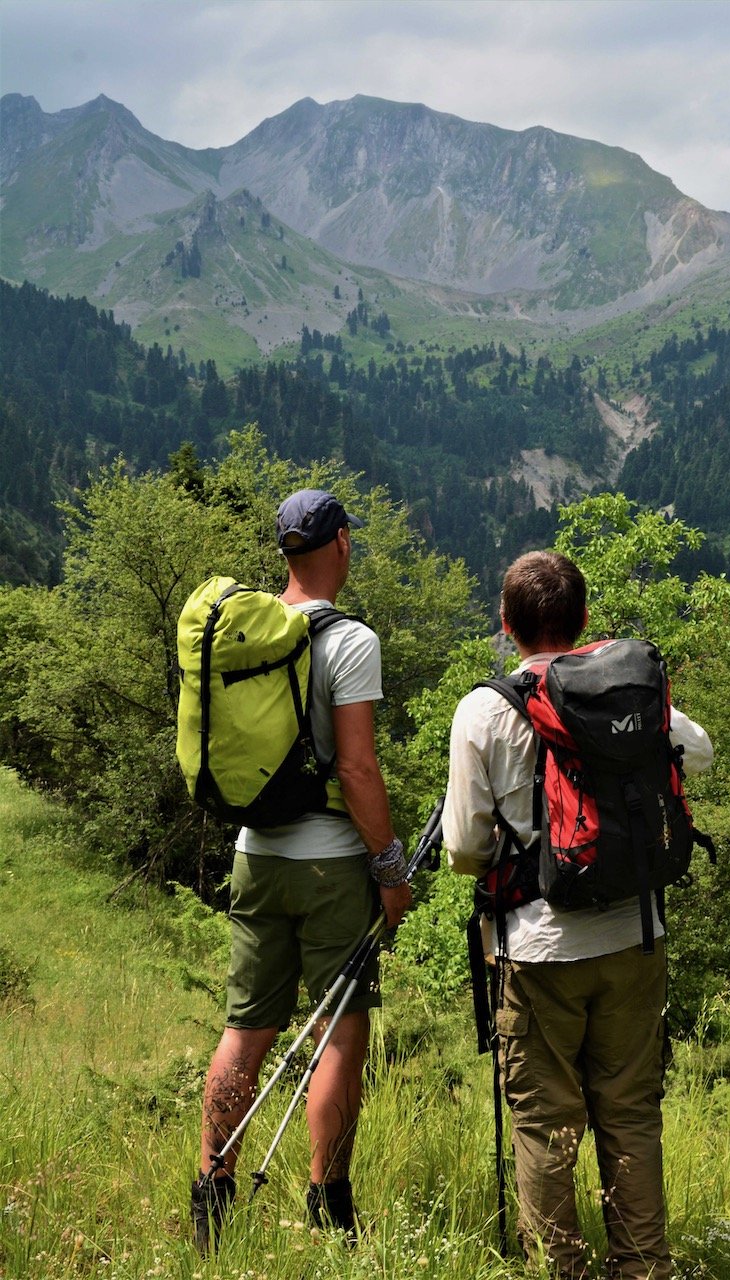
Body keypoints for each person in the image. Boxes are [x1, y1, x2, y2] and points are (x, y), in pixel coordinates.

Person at [443, 551, 713, 1280]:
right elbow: (703, 751)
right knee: (630, 1116)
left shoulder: (484, 709)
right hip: (633, 936)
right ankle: (643, 1268)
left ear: (506, 626)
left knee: (544, 1124)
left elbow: (465, 848)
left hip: (535, 950)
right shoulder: (626, 691)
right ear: (584, 620)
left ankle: (560, 1271)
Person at [191, 489, 412, 1253]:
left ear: (284, 551)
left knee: (244, 1029)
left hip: (254, 855)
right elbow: (355, 767)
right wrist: (389, 868)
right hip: (329, 867)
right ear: (343, 543)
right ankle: (329, 1201)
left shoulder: (252, 633)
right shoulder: (351, 641)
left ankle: (211, 1192)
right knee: (340, 1032)